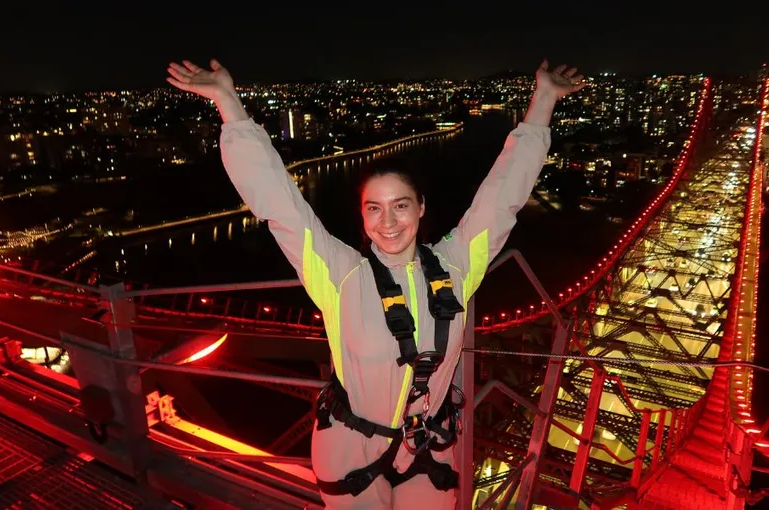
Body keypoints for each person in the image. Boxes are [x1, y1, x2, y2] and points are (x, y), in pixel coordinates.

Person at [167, 58, 584, 510]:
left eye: (400, 205)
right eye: (374, 208)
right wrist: (229, 104)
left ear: (421, 207)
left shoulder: (457, 265)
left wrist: (543, 101)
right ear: (362, 215)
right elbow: (279, 204)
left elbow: (502, 197)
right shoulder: (340, 274)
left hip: (427, 445)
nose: (388, 222)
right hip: (352, 448)